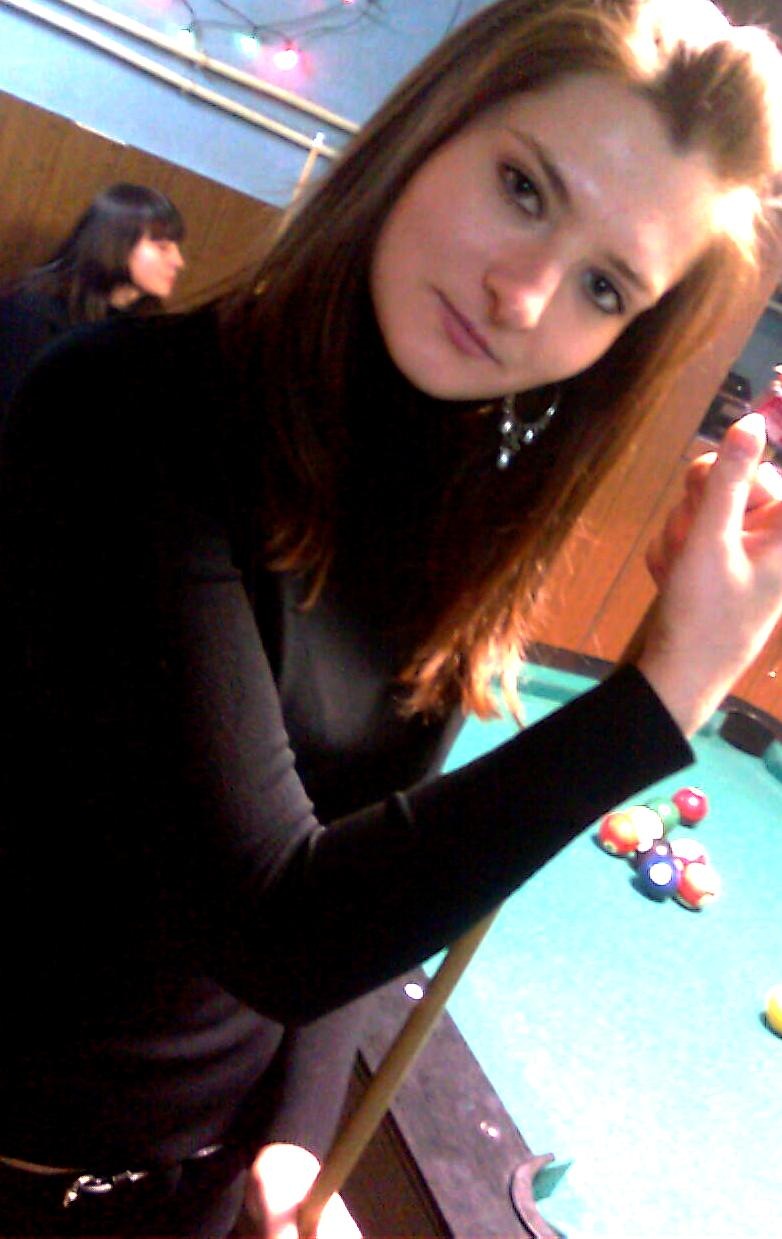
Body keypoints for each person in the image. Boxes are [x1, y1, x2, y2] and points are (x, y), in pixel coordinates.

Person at [0, 0, 781, 1235]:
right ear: (434, 128)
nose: (523, 295)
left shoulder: (449, 518)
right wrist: (663, 694)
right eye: (523, 187)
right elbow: (278, 921)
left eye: (602, 285)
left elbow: (357, 862)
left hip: (194, 1182)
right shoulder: (123, 420)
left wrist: (293, 1137)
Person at [0, 182, 185, 423]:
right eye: (162, 247)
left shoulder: (144, 330)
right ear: (116, 243)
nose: (178, 261)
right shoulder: (33, 311)